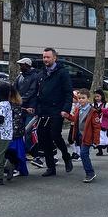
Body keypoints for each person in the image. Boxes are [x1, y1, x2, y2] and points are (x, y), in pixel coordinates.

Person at [35, 48, 74, 176]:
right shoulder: (41, 74)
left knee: (55, 135)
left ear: (54, 58)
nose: (45, 59)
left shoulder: (62, 73)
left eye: (48, 57)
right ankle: (51, 167)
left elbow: (68, 93)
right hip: (43, 111)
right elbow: (37, 93)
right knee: (43, 138)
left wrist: (66, 109)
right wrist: (35, 109)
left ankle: (66, 156)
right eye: (44, 57)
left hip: (57, 110)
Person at [63, 88, 101, 183]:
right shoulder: (78, 109)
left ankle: (90, 173)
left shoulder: (93, 112)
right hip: (80, 136)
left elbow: (97, 127)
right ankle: (89, 172)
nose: (81, 100)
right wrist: (67, 116)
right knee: (83, 154)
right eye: (79, 98)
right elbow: (75, 120)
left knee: (84, 154)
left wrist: (96, 140)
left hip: (88, 136)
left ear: (88, 99)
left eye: (83, 98)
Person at [93, 89, 108, 156]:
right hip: (96, 123)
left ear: (102, 96)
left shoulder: (105, 104)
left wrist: (102, 110)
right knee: (97, 137)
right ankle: (100, 150)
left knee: (105, 136)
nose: (97, 98)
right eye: (95, 97)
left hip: (103, 123)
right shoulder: (94, 105)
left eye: (98, 96)